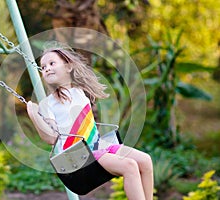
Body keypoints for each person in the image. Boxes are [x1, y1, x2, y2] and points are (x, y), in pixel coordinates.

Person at [26, 44, 154, 200]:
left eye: (52, 63)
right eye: (43, 67)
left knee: (145, 161)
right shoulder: (48, 104)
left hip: (98, 145)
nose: (46, 69)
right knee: (130, 166)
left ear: (68, 67)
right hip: (81, 155)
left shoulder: (79, 91)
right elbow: (51, 138)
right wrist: (33, 113)